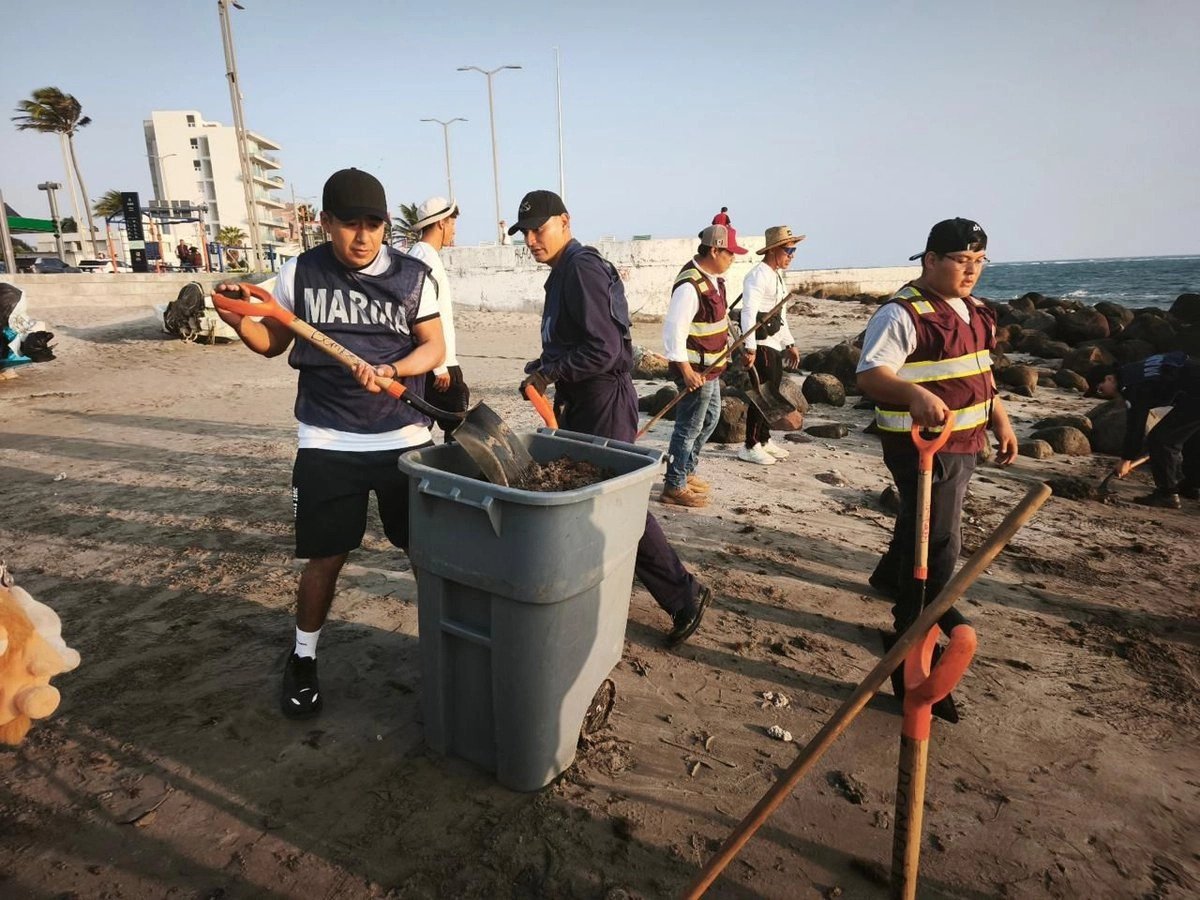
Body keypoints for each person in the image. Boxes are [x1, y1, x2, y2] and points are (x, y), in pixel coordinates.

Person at [214, 167, 445, 719]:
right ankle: (303, 657)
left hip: (405, 439)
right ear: (325, 223)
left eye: (374, 224)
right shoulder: (299, 273)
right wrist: (236, 320)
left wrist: (394, 367)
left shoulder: (412, 276)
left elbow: (432, 348)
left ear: (387, 225)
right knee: (326, 558)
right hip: (326, 438)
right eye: (349, 224)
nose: (362, 237)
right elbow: (271, 340)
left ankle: (443, 648)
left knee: (425, 555)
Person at [512, 189, 711, 647]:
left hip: (602, 400)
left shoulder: (579, 269)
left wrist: (550, 372)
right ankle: (598, 591)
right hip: (582, 400)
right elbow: (580, 342)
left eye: (538, 229)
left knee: (617, 507)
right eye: (524, 232)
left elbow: (604, 350)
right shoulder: (564, 272)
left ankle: (684, 596)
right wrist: (544, 369)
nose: (530, 240)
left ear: (565, 221)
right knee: (590, 502)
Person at [856, 217, 1017, 722]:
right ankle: (912, 636)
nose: (971, 271)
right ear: (930, 260)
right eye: (960, 260)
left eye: (978, 262)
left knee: (920, 525)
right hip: (922, 446)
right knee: (940, 543)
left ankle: (891, 578)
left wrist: (1001, 420)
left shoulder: (978, 312)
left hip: (965, 443)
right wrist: (913, 393)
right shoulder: (903, 315)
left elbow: (981, 374)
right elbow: (870, 374)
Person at [660, 223, 747, 508]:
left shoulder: (714, 279)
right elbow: (674, 330)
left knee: (709, 420)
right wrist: (686, 372)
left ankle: (686, 470)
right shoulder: (690, 285)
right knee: (688, 427)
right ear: (714, 249)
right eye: (729, 253)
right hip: (695, 372)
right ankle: (674, 485)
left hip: (712, 368)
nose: (733, 258)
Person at [1085, 351, 1200, 508]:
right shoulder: (1134, 370)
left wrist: (1126, 459)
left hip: (1195, 393)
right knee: (1189, 435)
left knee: (1162, 440)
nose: (1102, 395)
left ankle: (1167, 494)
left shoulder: (1132, 386)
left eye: (1100, 389)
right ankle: (1192, 485)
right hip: (1193, 390)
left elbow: (1136, 426)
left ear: (1110, 378)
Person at [738, 225, 804, 466]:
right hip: (762, 343)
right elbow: (748, 313)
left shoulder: (776, 277)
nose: (792, 255)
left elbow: (781, 315)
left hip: (775, 343)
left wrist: (790, 343)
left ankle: (764, 440)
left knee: (772, 392)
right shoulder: (757, 275)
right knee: (762, 395)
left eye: (793, 250)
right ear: (774, 250)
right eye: (789, 250)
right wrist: (750, 348)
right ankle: (750, 444)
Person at [407, 196, 469, 441]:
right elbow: (419, 313)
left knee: (436, 422)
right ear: (441, 223)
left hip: (436, 357)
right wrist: (440, 366)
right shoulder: (424, 259)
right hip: (438, 360)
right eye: (452, 224)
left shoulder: (423, 255)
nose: (453, 230)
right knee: (458, 426)